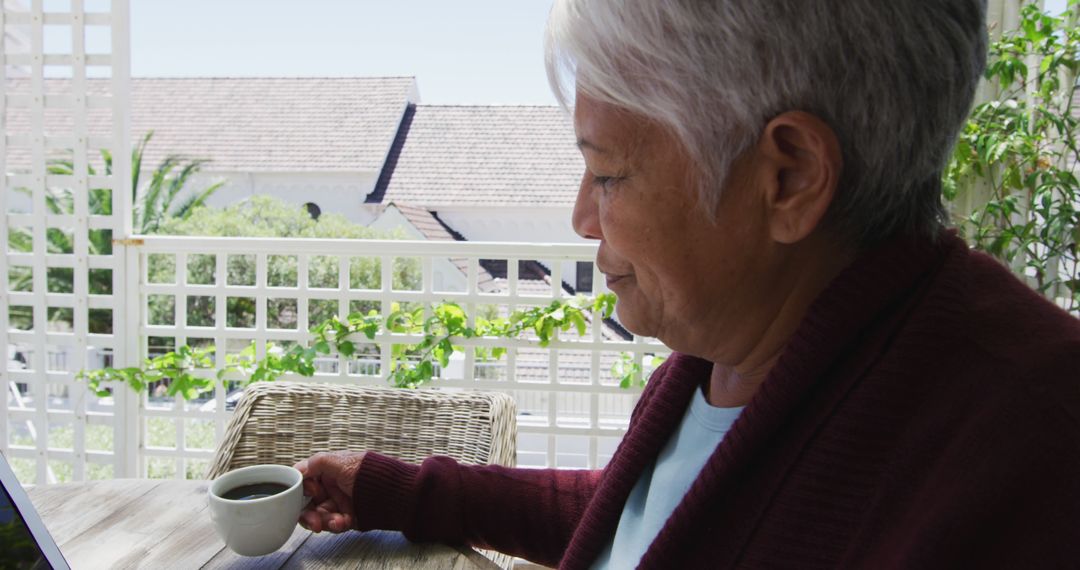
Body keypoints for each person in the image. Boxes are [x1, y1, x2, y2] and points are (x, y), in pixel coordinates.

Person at [295, 1, 1080, 567]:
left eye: (607, 172)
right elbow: (643, 517)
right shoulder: (740, 350)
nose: (581, 217)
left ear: (790, 178)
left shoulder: (1032, 454)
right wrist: (403, 491)